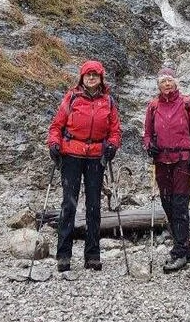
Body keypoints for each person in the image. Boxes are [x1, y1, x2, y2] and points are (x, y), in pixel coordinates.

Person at [47, 60, 121, 272]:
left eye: (95, 75)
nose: (91, 78)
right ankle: (63, 256)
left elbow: (115, 131)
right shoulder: (71, 98)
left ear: (100, 78)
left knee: (94, 206)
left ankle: (93, 255)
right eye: (88, 75)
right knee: (68, 204)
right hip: (71, 154)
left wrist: (113, 145)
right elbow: (56, 126)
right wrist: (54, 143)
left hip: (97, 157)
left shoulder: (108, 101)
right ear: (82, 77)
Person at [143, 67, 190, 273]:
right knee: (167, 203)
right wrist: (148, 145)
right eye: (163, 81)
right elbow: (147, 134)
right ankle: (185, 247)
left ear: (175, 82)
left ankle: (179, 251)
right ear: (158, 85)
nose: (167, 84)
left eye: (170, 80)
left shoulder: (187, 103)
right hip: (161, 160)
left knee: (179, 203)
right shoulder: (153, 106)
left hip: (183, 160)